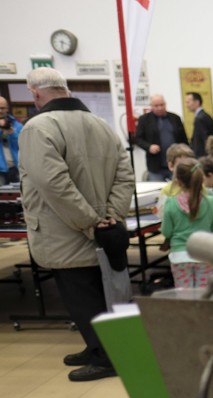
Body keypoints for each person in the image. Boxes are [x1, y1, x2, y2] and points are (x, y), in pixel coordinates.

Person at [18, 68, 135, 381]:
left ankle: (105, 357)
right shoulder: (102, 125)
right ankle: (94, 346)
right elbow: (125, 175)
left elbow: (52, 184)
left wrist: (91, 223)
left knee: (83, 299)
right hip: (100, 229)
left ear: (35, 93)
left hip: (66, 233)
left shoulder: (37, 127)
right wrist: (111, 218)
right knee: (97, 293)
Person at [161, 158, 213, 288]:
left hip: (179, 256)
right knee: (203, 296)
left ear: (178, 182)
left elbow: (166, 231)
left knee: (185, 298)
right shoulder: (211, 201)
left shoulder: (170, 203)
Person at [135, 94, 188, 181]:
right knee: (157, 191)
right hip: (155, 165)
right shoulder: (144, 120)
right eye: (156, 106)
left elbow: (183, 139)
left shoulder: (175, 118)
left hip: (175, 163)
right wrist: (149, 147)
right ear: (151, 106)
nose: (159, 108)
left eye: (162, 105)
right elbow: (138, 139)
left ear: (165, 104)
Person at [185, 92, 213, 157]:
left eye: (188, 102)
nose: (187, 105)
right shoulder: (204, 116)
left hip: (202, 155)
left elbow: (204, 139)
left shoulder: (200, 118)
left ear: (197, 102)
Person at [0, 96, 23, 185]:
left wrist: (11, 132)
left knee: (20, 195)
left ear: (7, 109)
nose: (0, 111)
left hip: (16, 167)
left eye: (2, 108)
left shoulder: (17, 126)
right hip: (1, 170)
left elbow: (23, 145)